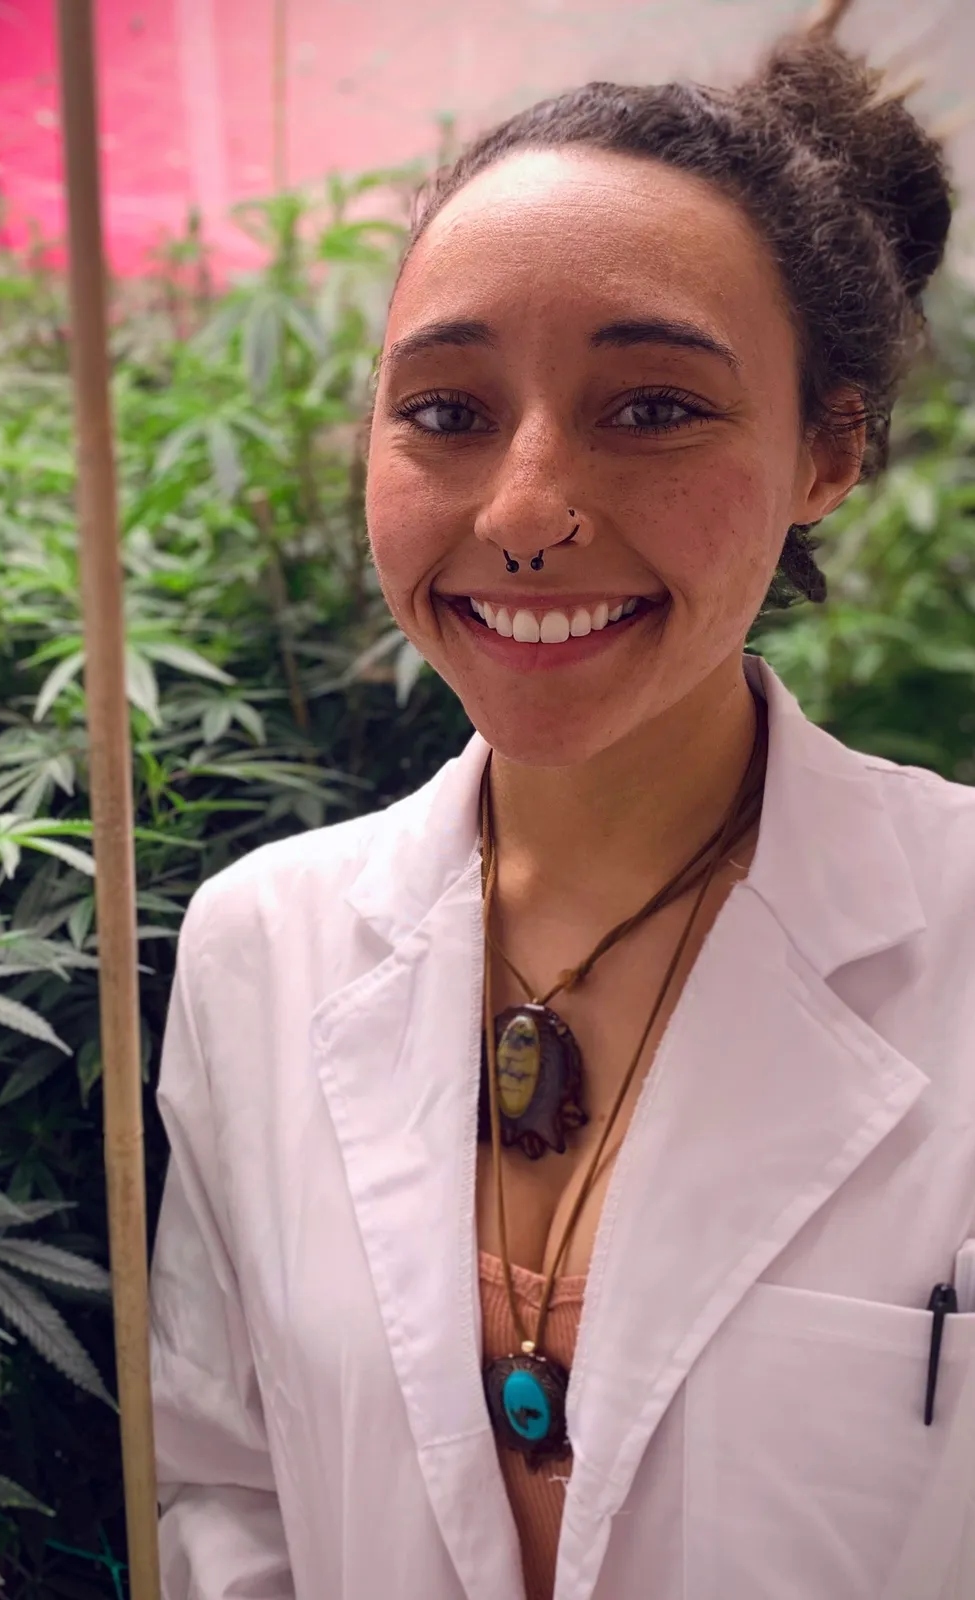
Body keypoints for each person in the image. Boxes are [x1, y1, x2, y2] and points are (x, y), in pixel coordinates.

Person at [147, 3, 975, 1596]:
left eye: (651, 408)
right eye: (445, 414)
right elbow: (224, 1484)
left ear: (829, 452)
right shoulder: (265, 944)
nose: (523, 516)